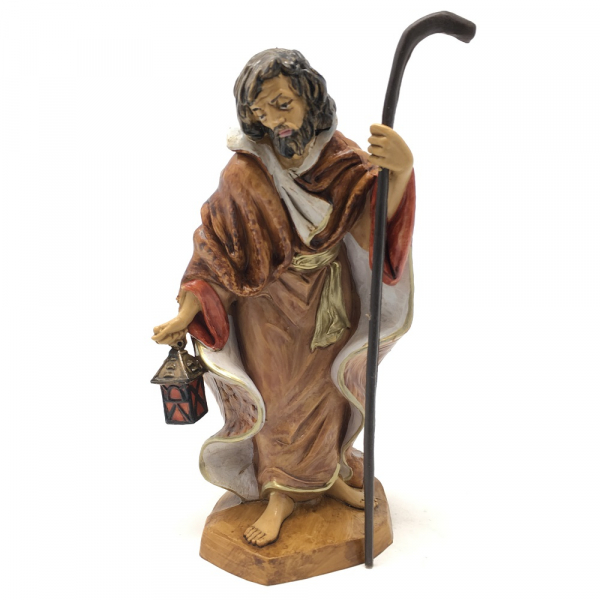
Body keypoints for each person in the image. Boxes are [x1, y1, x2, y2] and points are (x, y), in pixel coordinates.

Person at [153, 48, 416, 547]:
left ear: (309, 99)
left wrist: (400, 172)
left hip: (331, 298)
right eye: (261, 111)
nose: (275, 121)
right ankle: (279, 492)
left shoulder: (341, 161)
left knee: (328, 390)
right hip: (268, 309)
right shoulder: (245, 173)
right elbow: (215, 248)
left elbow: (373, 229)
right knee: (278, 399)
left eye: (282, 104)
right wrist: (187, 310)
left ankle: (328, 476)